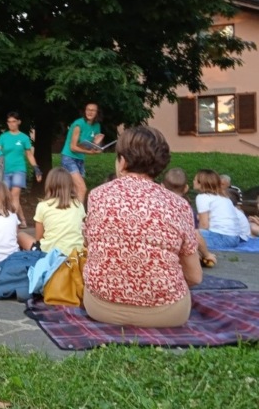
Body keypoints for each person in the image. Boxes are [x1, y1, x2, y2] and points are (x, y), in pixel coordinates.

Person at [83, 126, 202, 328]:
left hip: (101, 308)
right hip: (167, 313)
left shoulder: (97, 196)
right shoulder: (179, 205)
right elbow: (194, 276)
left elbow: (90, 246)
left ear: (123, 161)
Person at [17, 167, 85, 256]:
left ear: (49, 184)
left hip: (48, 254)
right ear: (70, 184)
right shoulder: (78, 205)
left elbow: (39, 238)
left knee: (20, 235)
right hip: (75, 255)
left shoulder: (43, 206)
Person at [0, 111, 42, 228]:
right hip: (5, 170)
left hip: (19, 169)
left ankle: (11, 223)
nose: (11, 124)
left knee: (15, 196)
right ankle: (22, 220)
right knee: (7, 196)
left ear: (19, 122)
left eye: (14, 121)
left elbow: (29, 154)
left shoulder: (24, 137)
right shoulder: (3, 137)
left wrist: (36, 168)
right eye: (9, 122)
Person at [194, 169, 240, 265]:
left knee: (189, 235)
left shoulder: (202, 197)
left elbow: (204, 225)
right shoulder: (223, 197)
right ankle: (198, 255)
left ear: (201, 183)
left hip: (222, 238)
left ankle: (205, 255)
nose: (193, 181)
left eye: (195, 179)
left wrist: (199, 238)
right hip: (235, 238)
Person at [60, 103, 104, 203]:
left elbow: (94, 146)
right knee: (82, 188)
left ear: (97, 113)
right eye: (88, 109)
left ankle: (71, 210)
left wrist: (97, 145)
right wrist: (89, 152)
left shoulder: (97, 126)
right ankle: (79, 212)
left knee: (75, 190)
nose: (90, 112)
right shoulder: (78, 124)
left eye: (93, 110)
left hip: (80, 159)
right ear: (84, 111)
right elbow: (73, 147)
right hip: (69, 157)